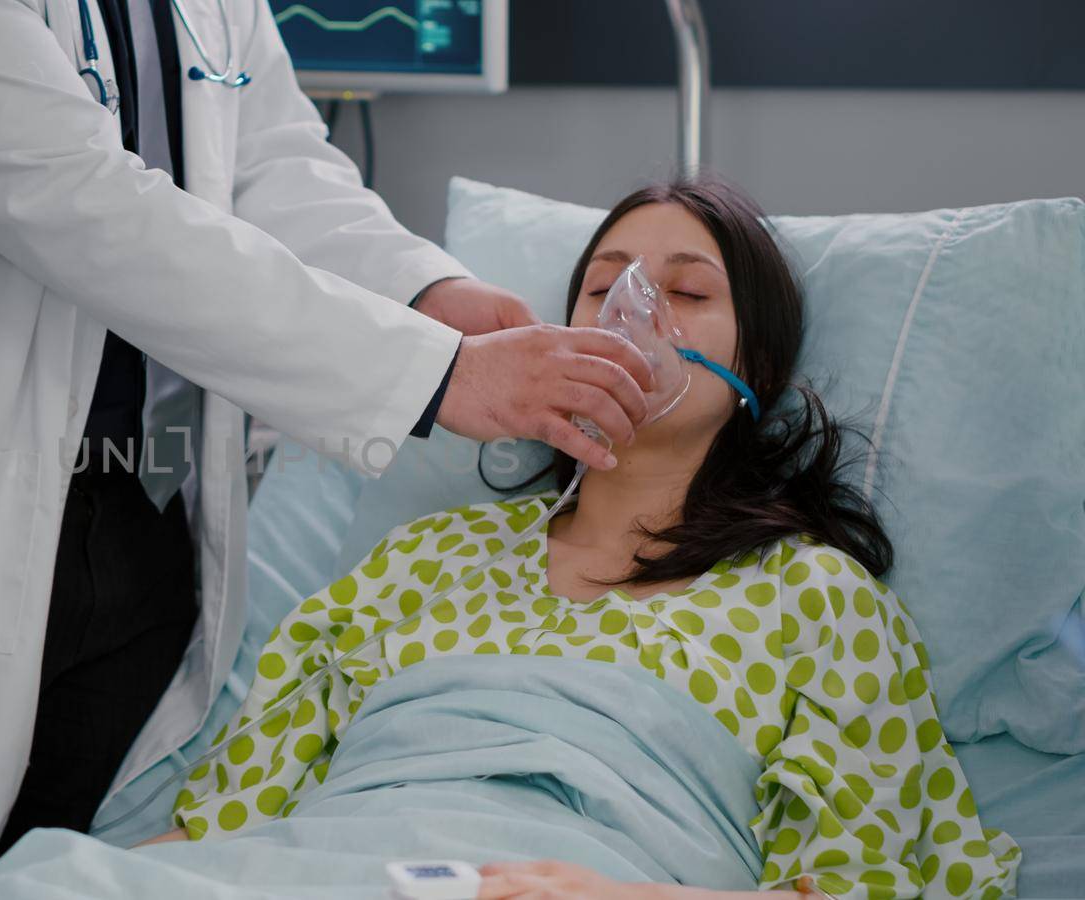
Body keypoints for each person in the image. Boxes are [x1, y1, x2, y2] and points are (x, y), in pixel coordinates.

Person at [0, 0, 659, 897]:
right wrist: (437, 373)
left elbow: (272, 162)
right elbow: (79, 198)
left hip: (147, 520)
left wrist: (423, 291)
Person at [149, 178, 1020, 899]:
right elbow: (215, 831)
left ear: (755, 368)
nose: (634, 313)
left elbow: (860, 884)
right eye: (604, 289)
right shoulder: (425, 558)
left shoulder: (816, 598)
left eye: (685, 293)